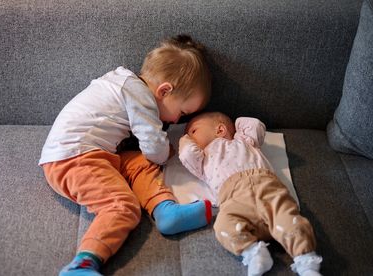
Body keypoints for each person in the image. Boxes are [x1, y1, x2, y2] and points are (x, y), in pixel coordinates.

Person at [39, 34, 213, 276]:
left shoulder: (124, 81)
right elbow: (155, 148)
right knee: (122, 206)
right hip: (72, 158)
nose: (175, 121)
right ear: (164, 91)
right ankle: (82, 264)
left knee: (139, 162)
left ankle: (165, 210)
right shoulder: (140, 97)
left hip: (93, 154)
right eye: (182, 112)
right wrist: (169, 150)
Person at [178, 112, 323, 276]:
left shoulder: (244, 141)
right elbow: (186, 154)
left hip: (265, 185)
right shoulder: (202, 161)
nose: (188, 137)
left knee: (287, 216)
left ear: (220, 130)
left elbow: (255, 125)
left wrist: (236, 123)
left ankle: (306, 261)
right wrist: (185, 140)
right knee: (222, 226)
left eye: (193, 132)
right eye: (187, 136)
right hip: (233, 198)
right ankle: (253, 252)